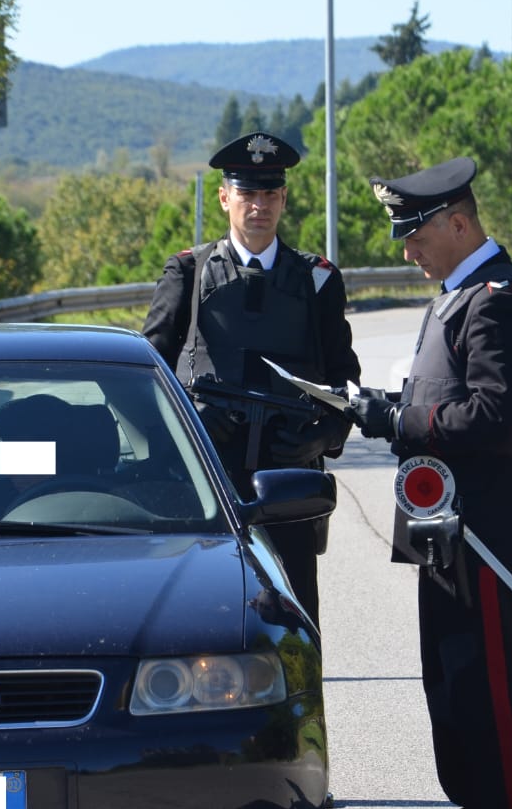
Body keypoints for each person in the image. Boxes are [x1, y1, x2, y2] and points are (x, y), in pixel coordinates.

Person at [347, 156, 512, 809]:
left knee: (492, 692)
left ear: (459, 221)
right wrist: (385, 406)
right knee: (453, 688)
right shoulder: (458, 293)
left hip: (486, 532)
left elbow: (491, 415)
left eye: (415, 233)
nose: (406, 248)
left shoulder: (499, 298)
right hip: (447, 529)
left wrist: (397, 419)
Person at [143, 132, 361, 629]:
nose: (258, 206)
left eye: (269, 194)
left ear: (283, 198)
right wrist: (189, 426)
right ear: (225, 198)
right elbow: (149, 374)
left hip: (286, 483)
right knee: (197, 621)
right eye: (247, 194)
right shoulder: (188, 271)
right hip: (205, 479)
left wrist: (321, 436)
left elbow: (343, 377)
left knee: (292, 619)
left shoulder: (317, 279)